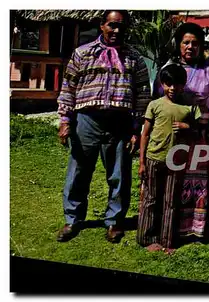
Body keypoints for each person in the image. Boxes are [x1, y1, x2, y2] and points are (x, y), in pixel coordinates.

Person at [56, 10, 151, 243]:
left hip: (120, 123)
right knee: (78, 172)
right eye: (112, 25)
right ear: (102, 25)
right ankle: (72, 219)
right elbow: (68, 88)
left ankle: (114, 222)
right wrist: (65, 121)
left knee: (118, 175)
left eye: (121, 27)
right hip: (86, 120)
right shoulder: (82, 54)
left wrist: (136, 128)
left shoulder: (134, 58)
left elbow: (142, 95)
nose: (116, 31)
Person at [153, 22, 209, 241]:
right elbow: (157, 103)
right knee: (172, 181)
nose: (190, 47)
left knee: (198, 181)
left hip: (200, 136)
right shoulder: (167, 70)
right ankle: (168, 227)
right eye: (186, 42)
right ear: (178, 44)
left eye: (195, 43)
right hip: (172, 136)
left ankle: (196, 228)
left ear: (201, 46)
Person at [136, 64, 201, 254]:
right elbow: (145, 135)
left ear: (184, 84)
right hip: (154, 158)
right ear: (162, 84)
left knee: (171, 200)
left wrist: (186, 127)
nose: (173, 88)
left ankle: (168, 240)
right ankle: (146, 237)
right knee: (151, 198)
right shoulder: (154, 105)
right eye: (168, 84)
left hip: (176, 160)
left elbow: (199, 132)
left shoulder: (190, 107)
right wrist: (141, 162)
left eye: (177, 84)